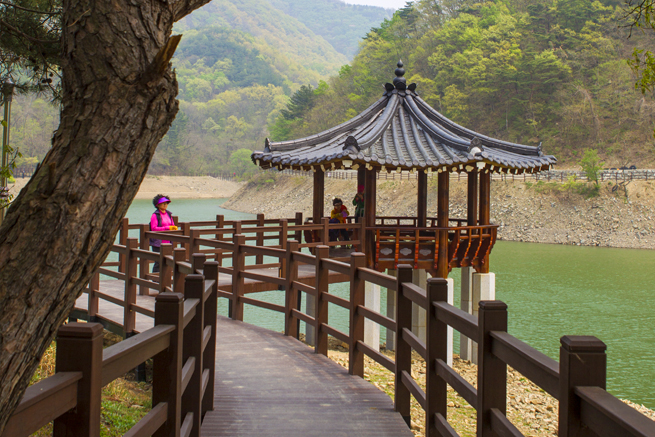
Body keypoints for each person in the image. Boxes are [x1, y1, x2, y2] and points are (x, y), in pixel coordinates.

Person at [150, 194, 177, 273]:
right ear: (158, 205)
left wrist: (173, 228)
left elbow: (172, 224)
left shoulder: (169, 214)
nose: (165, 205)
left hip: (168, 241)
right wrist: (167, 228)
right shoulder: (155, 215)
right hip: (158, 242)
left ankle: (165, 280)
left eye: (166, 203)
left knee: (167, 261)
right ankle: (155, 280)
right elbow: (154, 228)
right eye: (163, 203)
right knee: (158, 261)